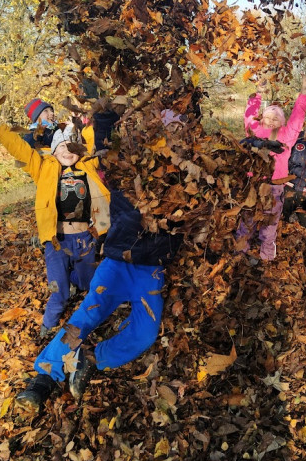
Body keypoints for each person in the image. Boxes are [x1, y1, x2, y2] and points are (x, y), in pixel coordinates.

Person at [14, 110, 184, 410]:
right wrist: (103, 112)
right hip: (116, 266)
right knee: (86, 317)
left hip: (150, 272)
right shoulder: (122, 175)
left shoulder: (184, 186)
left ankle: (92, 359)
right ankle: (44, 378)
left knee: (145, 332)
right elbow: (104, 148)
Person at [0, 104, 111, 336]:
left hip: (85, 240)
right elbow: (18, 147)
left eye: (72, 147)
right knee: (58, 292)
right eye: (62, 147)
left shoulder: (87, 164)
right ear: (53, 151)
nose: (67, 151)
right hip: (56, 241)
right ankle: (47, 326)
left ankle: (79, 291)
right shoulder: (43, 168)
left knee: (88, 283)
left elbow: (95, 140)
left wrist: (88, 117)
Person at [236, 73, 306, 260]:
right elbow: (248, 116)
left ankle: (266, 254)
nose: (271, 120)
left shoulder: (287, 135)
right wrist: (258, 92)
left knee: (269, 223)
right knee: (247, 219)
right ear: (262, 119)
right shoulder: (255, 132)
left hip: (274, 186)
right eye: (268, 117)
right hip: (254, 184)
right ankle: (240, 252)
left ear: (282, 122)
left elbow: (298, 117)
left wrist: (304, 90)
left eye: (276, 118)